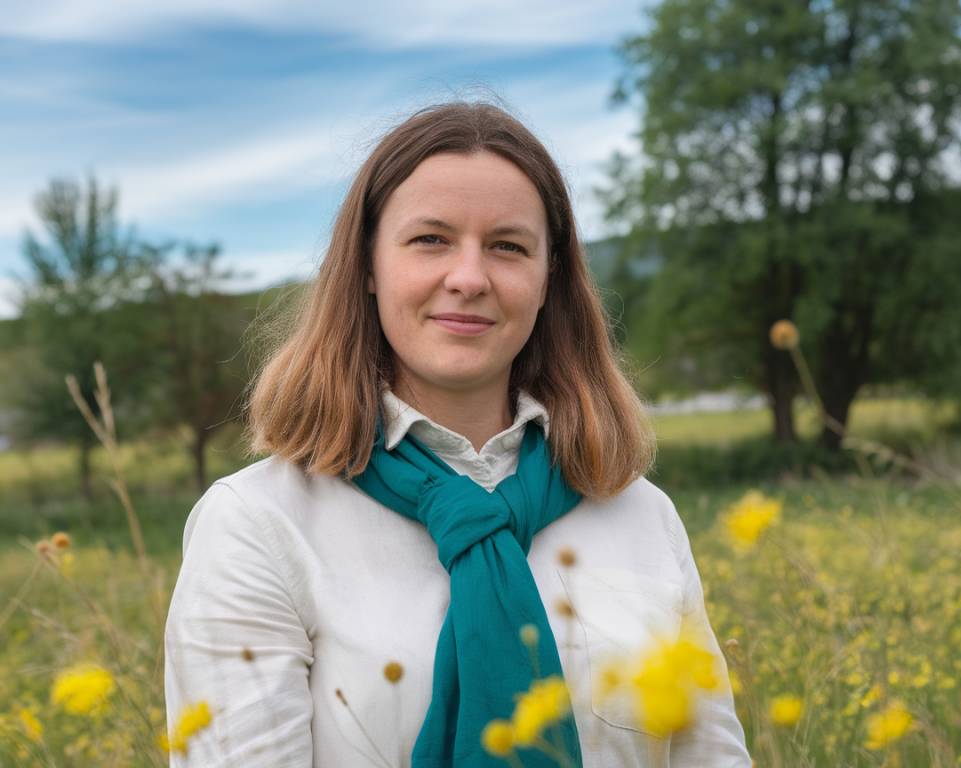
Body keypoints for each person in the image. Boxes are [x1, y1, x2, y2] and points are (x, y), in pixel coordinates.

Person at [163, 101, 751, 768]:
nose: (469, 278)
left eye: (507, 246)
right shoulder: (258, 525)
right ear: (367, 268)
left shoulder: (641, 514)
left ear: (546, 278)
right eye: (430, 240)